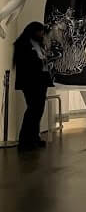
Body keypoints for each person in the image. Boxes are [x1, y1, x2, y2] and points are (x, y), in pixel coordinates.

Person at [13, 22, 53, 151]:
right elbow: (27, 64)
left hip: (41, 81)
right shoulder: (23, 44)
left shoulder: (39, 44)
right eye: (40, 31)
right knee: (33, 110)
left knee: (38, 110)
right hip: (30, 82)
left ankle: (34, 138)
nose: (42, 34)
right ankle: (25, 140)